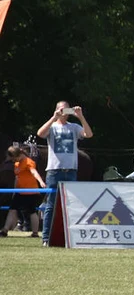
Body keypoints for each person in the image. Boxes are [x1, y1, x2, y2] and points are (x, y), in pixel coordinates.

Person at [37, 100, 93, 244]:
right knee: (50, 205)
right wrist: (53, 118)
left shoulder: (74, 127)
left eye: (67, 110)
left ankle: (69, 237)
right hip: (54, 171)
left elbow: (88, 134)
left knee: (70, 205)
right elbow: (40, 133)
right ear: (56, 110)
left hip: (71, 170)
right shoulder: (53, 127)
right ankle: (46, 238)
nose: (64, 113)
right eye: (62, 110)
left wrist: (80, 116)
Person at [0, 145, 46, 238]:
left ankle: (35, 233)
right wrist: (15, 190)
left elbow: (34, 172)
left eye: (13, 158)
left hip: (30, 192)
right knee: (12, 210)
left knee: (32, 212)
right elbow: (18, 178)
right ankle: (4, 230)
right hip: (19, 192)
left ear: (19, 155)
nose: (13, 161)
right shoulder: (17, 164)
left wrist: (41, 182)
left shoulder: (28, 162)